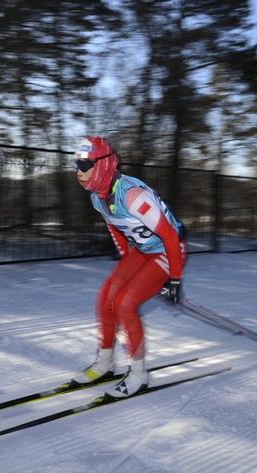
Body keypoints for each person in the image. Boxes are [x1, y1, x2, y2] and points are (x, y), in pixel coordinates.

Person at [71, 136, 187, 398]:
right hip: (143, 251)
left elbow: (170, 235)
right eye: (77, 164)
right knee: (106, 298)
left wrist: (175, 280)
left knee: (125, 304)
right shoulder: (97, 197)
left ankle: (138, 374)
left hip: (169, 251)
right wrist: (126, 258)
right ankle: (105, 363)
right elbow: (115, 226)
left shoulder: (133, 196)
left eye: (85, 165)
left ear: (103, 165)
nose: (79, 172)